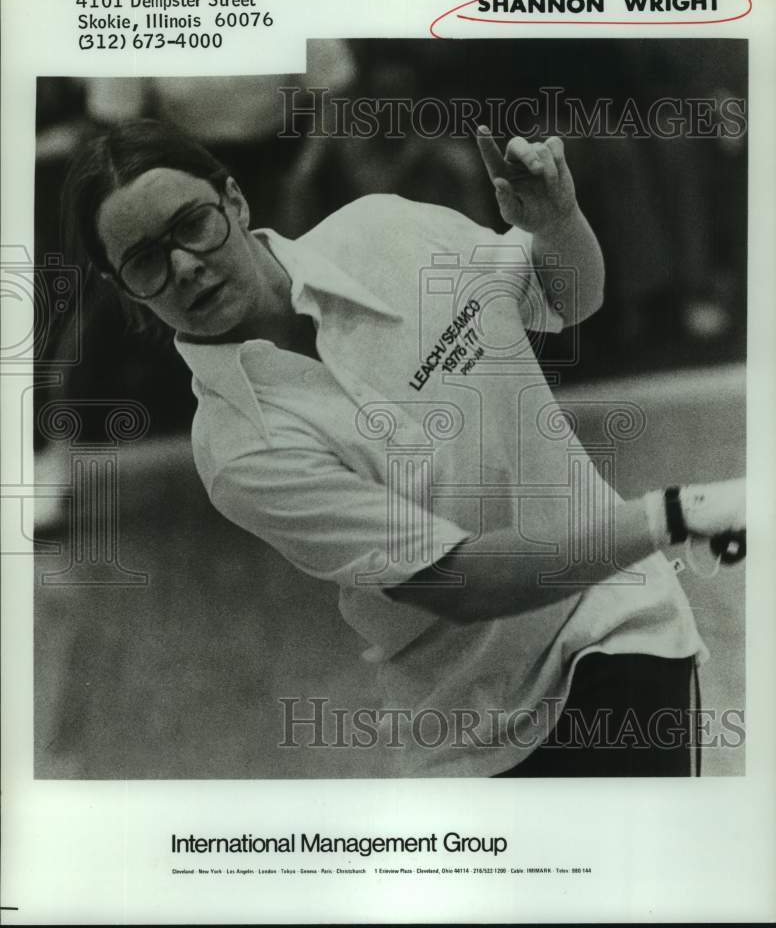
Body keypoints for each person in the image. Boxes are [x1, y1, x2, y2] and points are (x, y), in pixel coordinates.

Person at [62, 118, 745, 778]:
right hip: (470, 730)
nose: (184, 266)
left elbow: (566, 297)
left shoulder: (386, 231)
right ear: (126, 291)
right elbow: (467, 582)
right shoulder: (240, 450)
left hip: (616, 626)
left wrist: (558, 220)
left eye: (192, 224)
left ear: (234, 200)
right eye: (147, 260)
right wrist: (673, 515)